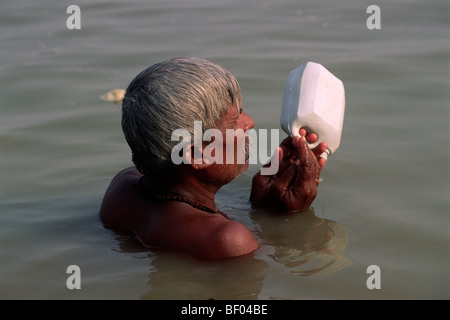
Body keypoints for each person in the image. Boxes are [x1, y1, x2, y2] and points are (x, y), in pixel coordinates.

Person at [100, 57, 328, 259]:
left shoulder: (121, 189)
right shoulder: (228, 240)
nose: (249, 122)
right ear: (199, 155)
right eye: (235, 119)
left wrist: (259, 206)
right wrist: (287, 222)